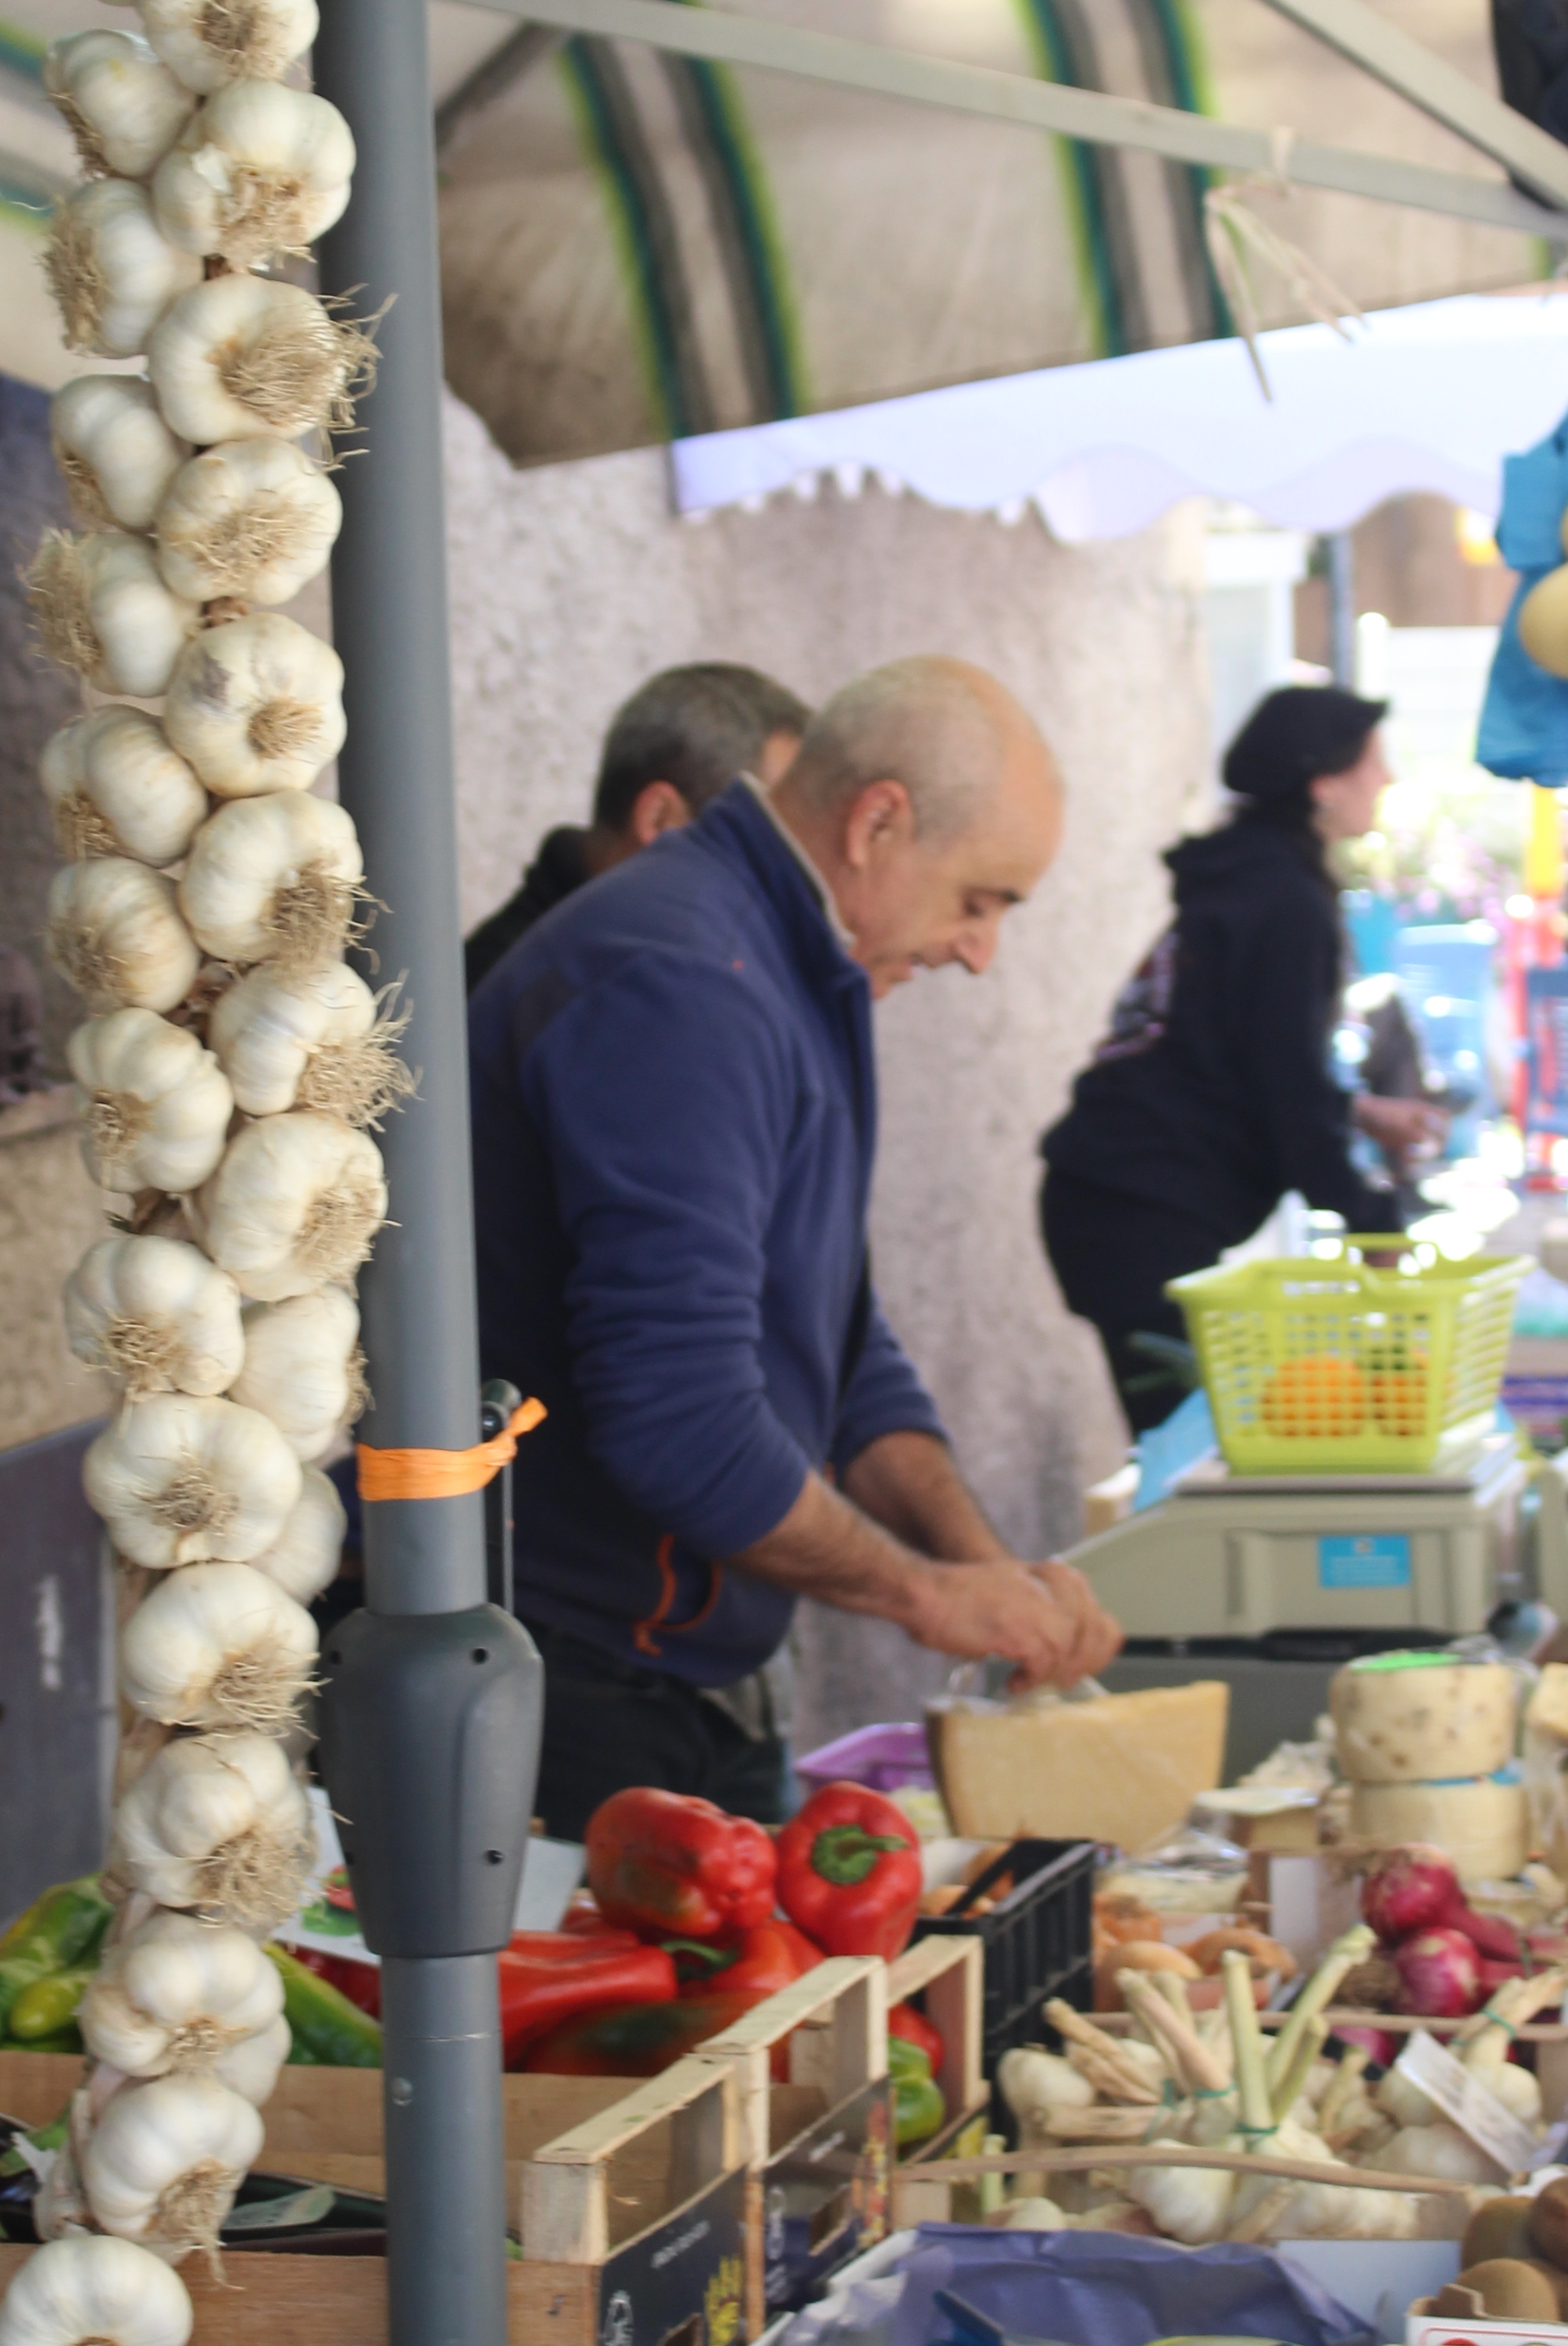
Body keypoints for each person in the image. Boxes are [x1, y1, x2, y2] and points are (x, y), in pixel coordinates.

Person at [470, 657, 1123, 1833]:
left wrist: (985, 1570)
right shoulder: (687, 980)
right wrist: (923, 1596)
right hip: (557, 1673)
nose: (979, 951)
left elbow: (837, 1339)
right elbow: (678, 1419)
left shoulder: (790, 962)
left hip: (676, 1672)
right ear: (877, 823)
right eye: (981, 901)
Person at [1038, 684, 1441, 1435]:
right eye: (1372, 762)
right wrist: (1373, 1221)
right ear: (1323, 781)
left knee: (1209, 1443)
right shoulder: (1283, 901)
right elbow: (1286, 1095)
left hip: (1114, 1199)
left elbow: (1238, 1055)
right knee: (1208, 1448)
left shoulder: (1251, 879)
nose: (1386, 779)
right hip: (1138, 1207)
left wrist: (1356, 1112)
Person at [463, 661, 809, 991]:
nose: (792, 884)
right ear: (659, 820)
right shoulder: (542, 995)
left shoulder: (629, 968)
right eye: (766, 838)